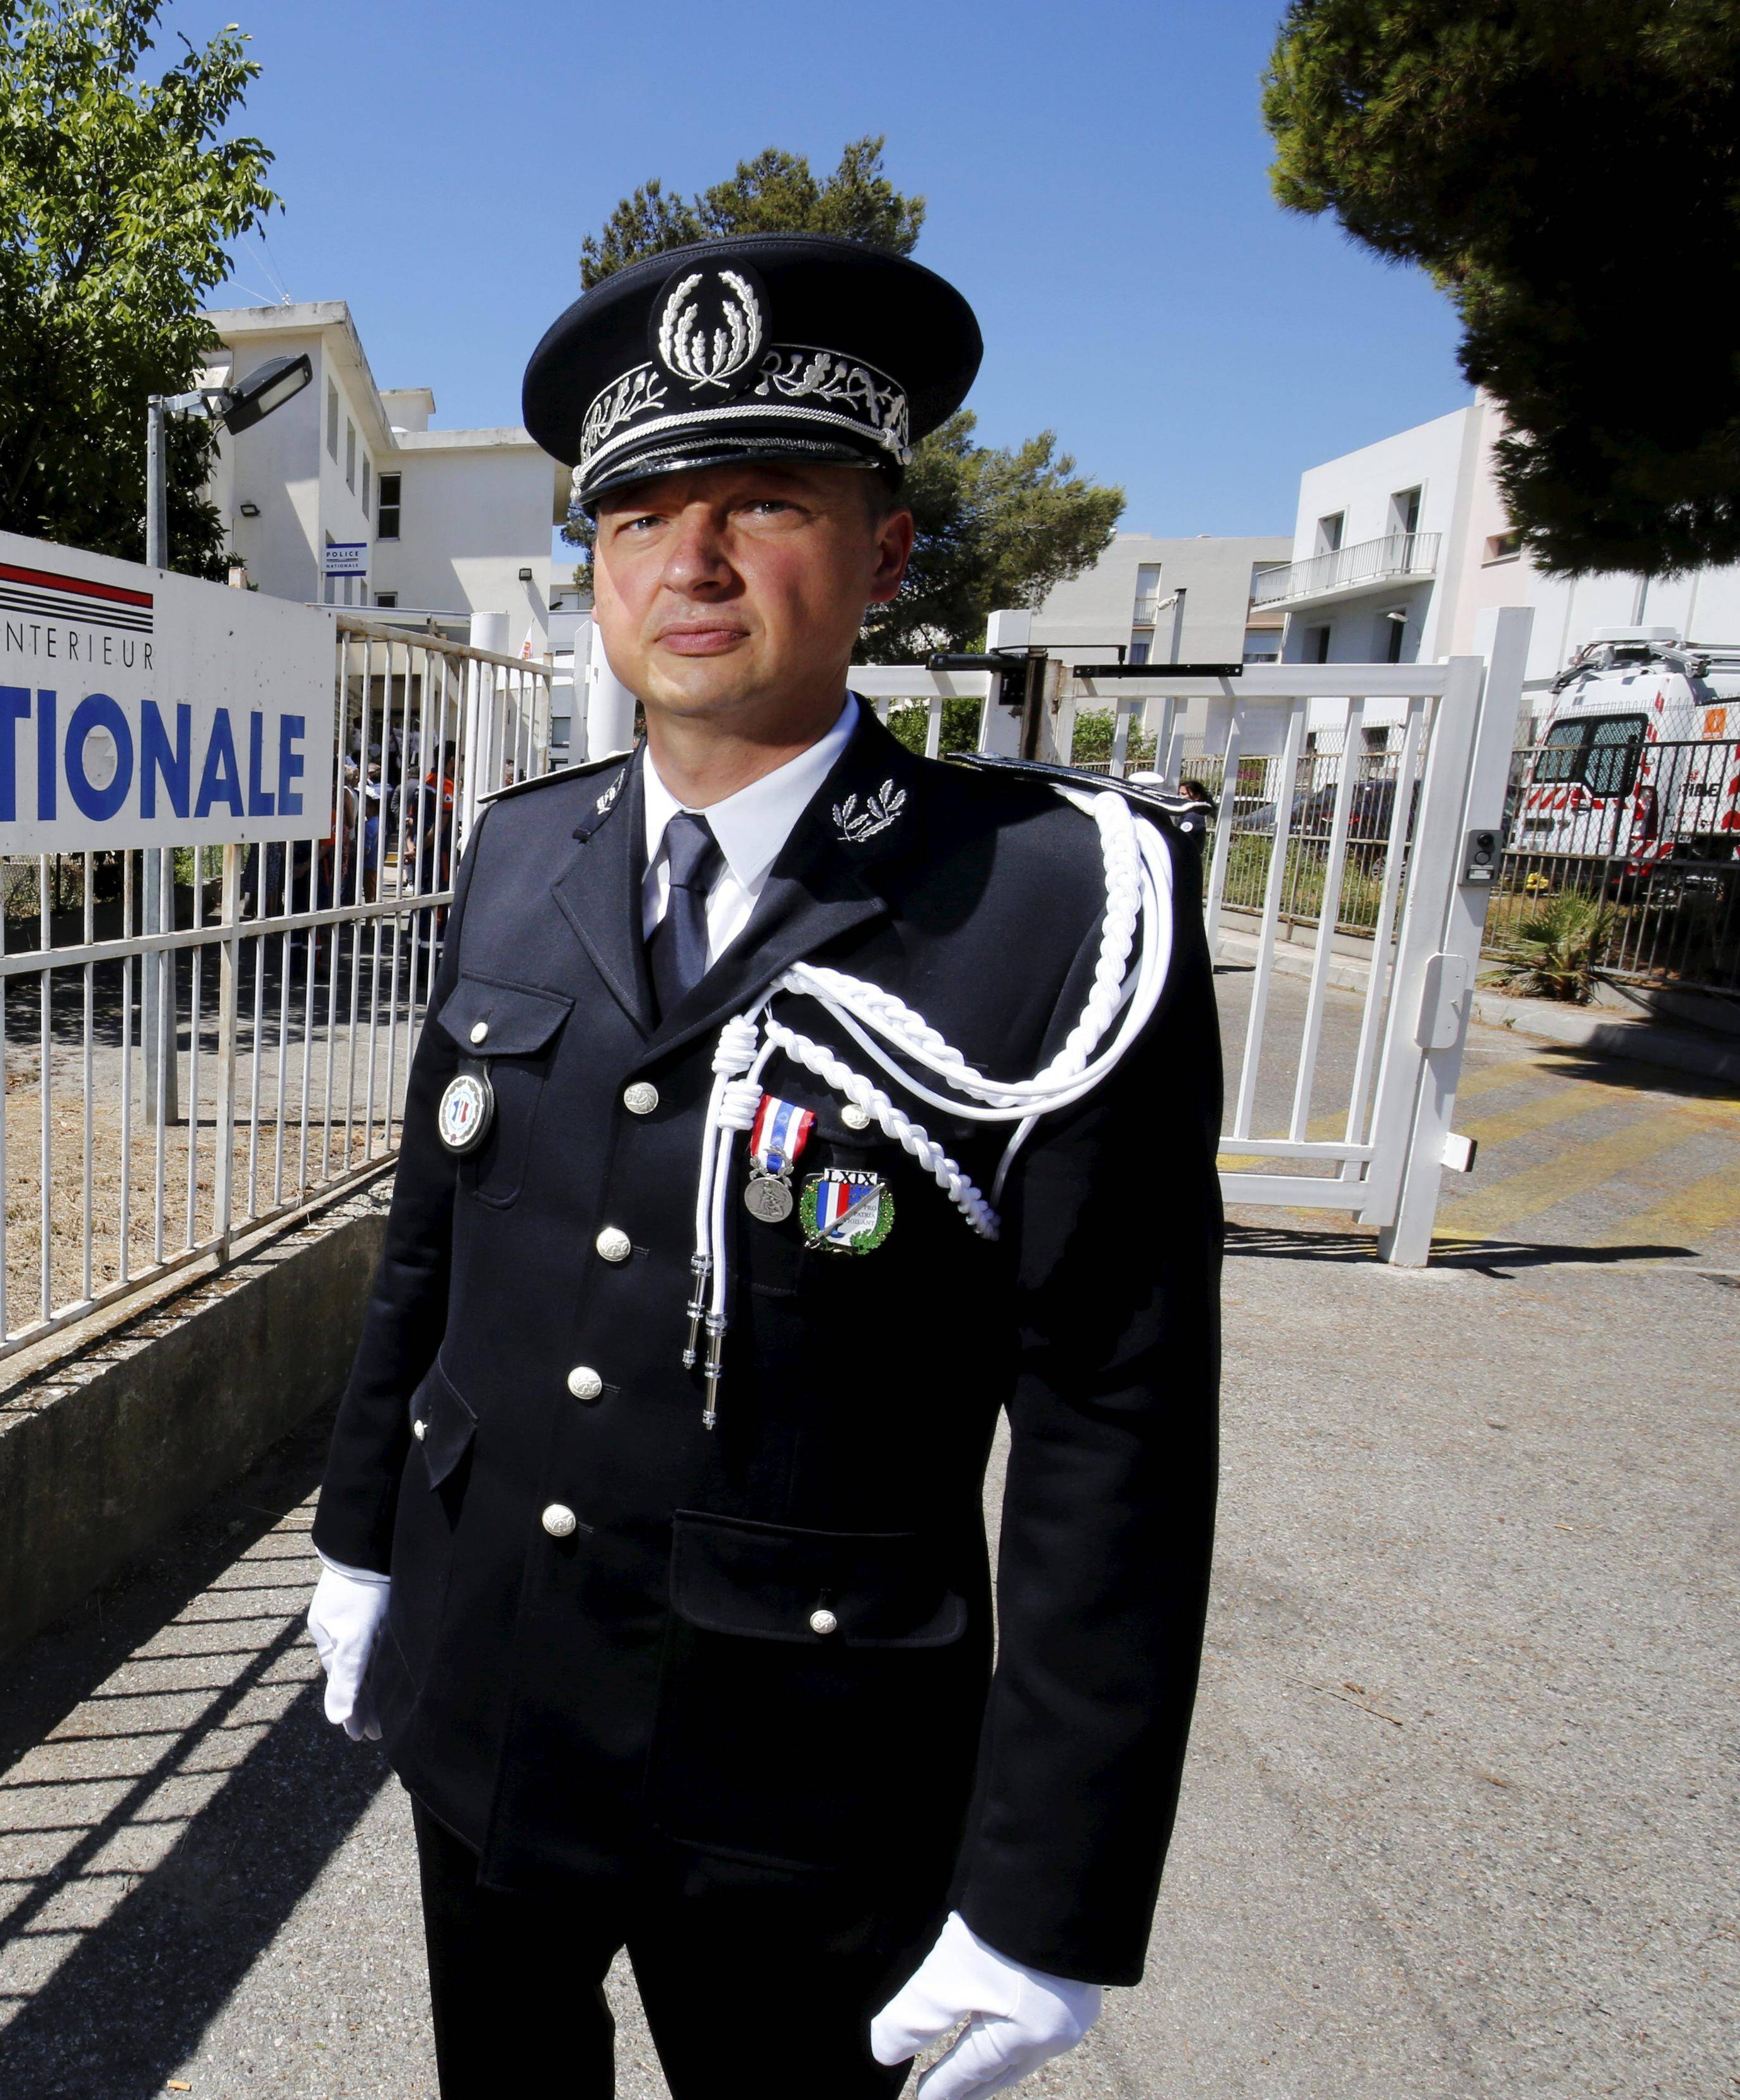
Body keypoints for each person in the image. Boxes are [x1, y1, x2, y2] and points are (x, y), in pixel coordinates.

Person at [305, 234, 1222, 2100]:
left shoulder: (1047, 903)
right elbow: (434, 1245)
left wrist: (1048, 1890)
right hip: (492, 1694)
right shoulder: (520, 854)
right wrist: (357, 1540)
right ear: (596, 571)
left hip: (811, 1780)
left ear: (886, 555)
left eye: (764, 504)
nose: (691, 562)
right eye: (639, 514)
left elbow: (1114, 1428)